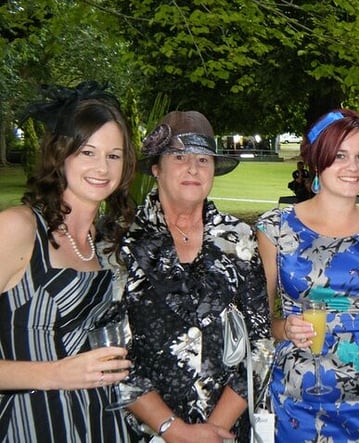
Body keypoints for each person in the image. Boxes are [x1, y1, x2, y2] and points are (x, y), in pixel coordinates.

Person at [256, 109, 359, 442]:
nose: (353, 167)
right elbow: (256, 323)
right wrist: (283, 328)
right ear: (318, 162)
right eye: (340, 155)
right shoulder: (275, 229)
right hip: (297, 405)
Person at [120, 111, 271, 442]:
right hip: (147, 432)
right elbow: (113, 356)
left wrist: (213, 431)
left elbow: (261, 343)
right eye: (179, 157)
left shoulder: (240, 239)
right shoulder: (123, 242)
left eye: (203, 159)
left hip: (225, 432)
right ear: (156, 168)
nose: (193, 168)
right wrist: (175, 431)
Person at [0, 81, 136, 441]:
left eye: (114, 155)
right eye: (87, 152)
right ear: (61, 154)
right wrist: (56, 374)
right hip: (33, 424)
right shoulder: (18, 228)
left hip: (101, 423)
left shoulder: (103, 243)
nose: (102, 168)